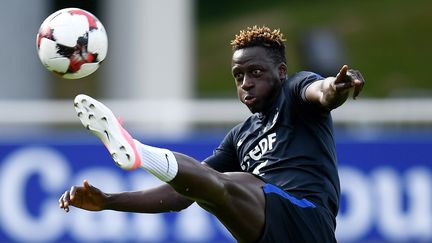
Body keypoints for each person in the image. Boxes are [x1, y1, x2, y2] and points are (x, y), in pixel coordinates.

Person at [59, 25, 365, 243]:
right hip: (268, 232)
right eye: (238, 76)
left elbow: (322, 92)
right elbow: (179, 196)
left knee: (231, 184)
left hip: (308, 221)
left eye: (255, 72)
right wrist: (109, 200)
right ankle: (140, 153)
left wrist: (336, 87)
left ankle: (139, 151)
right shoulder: (239, 137)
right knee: (206, 191)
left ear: (281, 72)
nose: (246, 82)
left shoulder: (295, 91)